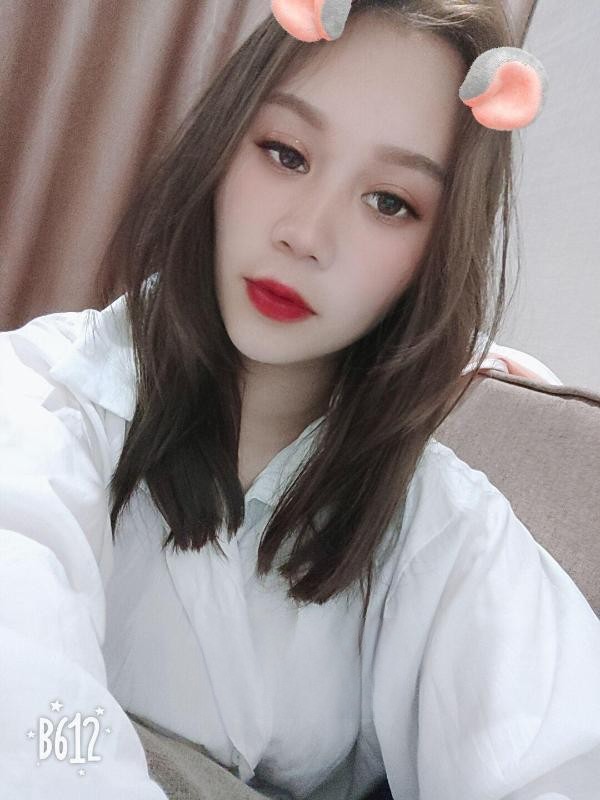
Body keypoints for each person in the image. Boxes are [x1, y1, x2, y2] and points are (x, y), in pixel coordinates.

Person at [2, 1, 599, 798]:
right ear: (223, 145)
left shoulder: (442, 528)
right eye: (285, 153)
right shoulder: (40, 398)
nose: (306, 234)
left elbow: (561, 762)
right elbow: (29, 720)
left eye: (389, 202)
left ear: (436, 250)